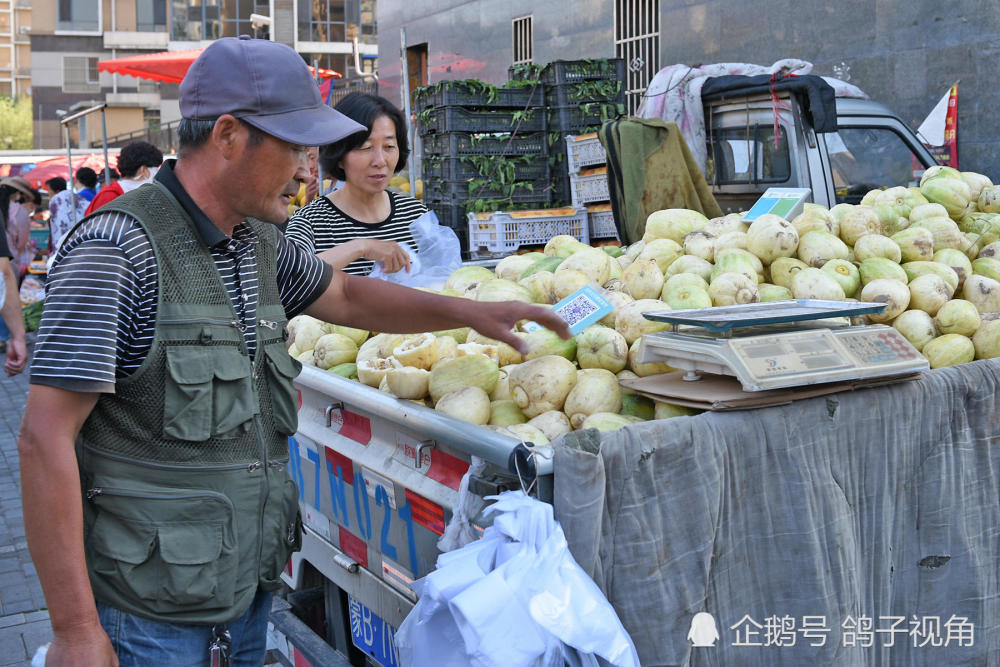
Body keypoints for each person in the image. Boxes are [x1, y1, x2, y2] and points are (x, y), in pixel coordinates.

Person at [18, 36, 569, 667]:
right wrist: (75, 630)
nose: (312, 169)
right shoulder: (118, 251)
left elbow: (350, 300)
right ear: (228, 136)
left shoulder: (257, 239)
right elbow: (43, 440)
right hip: (149, 617)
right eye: (296, 148)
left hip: (247, 592)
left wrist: (472, 313)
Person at [284, 93, 421, 276]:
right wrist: (361, 247)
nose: (380, 161)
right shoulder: (310, 222)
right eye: (366, 147)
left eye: (389, 147)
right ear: (339, 155)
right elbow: (289, 278)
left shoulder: (416, 216)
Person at [84, 141, 164, 215]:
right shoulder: (109, 197)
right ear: (143, 170)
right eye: (155, 169)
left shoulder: (150, 195)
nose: (157, 172)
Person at [46, 177, 90, 253]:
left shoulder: (55, 200)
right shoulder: (77, 197)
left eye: (49, 190)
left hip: (62, 243)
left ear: (56, 190)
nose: (48, 192)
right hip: (81, 239)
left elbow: (58, 226)